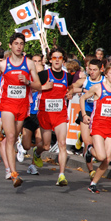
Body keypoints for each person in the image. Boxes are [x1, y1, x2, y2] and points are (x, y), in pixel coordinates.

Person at [0, 32, 42, 187]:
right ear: (10, 46)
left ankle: (3, 133)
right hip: (7, 105)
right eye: (16, 43)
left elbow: (38, 85)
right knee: (11, 137)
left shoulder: (29, 64)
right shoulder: (3, 64)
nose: (19, 46)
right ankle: (13, 173)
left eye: (21, 43)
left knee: (15, 134)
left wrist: (28, 81)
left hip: (23, 106)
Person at [80, 63, 111, 193]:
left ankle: (93, 183)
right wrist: (84, 115)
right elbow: (83, 98)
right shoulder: (97, 88)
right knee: (101, 157)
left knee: (108, 158)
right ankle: (89, 149)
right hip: (98, 125)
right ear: (106, 74)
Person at [33, 47, 73, 186]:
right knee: (46, 145)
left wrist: (71, 93)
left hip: (60, 114)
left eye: (60, 58)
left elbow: (73, 87)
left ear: (63, 60)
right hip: (45, 113)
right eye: (54, 57)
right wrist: (44, 87)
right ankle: (37, 153)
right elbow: (31, 87)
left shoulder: (67, 77)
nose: (57, 60)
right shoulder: (44, 74)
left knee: (62, 144)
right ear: (50, 60)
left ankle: (61, 175)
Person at [72, 58, 104, 178]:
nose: (92, 72)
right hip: (86, 112)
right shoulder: (85, 80)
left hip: (99, 115)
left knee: (96, 146)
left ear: (101, 70)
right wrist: (83, 90)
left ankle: (87, 147)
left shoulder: (105, 81)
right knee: (88, 142)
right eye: (90, 69)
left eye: (95, 70)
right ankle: (91, 171)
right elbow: (72, 87)